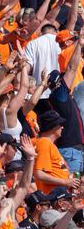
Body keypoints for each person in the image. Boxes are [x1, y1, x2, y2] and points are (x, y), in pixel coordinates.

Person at [47, 32, 84, 173]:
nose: (66, 79)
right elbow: (71, 68)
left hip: (74, 150)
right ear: (58, 84)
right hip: (70, 151)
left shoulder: (60, 96)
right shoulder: (59, 95)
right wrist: (79, 45)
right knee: (72, 191)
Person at [34, 110, 80, 194]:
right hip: (52, 196)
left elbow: (60, 168)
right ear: (53, 127)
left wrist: (68, 177)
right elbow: (39, 174)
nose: (62, 127)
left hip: (60, 195)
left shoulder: (51, 144)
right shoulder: (44, 143)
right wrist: (66, 182)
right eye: (60, 125)